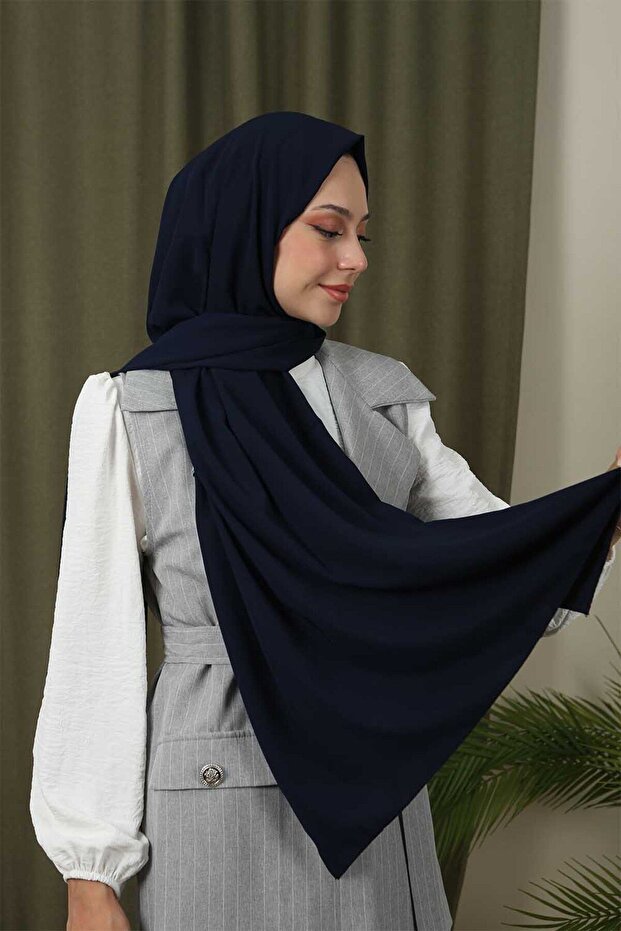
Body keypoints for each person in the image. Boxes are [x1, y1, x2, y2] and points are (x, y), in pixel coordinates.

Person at [30, 122, 619, 931]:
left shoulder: (381, 394)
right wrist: (90, 875)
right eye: (328, 229)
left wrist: (602, 517)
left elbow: (500, 581)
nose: (356, 259)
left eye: (361, 235)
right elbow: (95, 643)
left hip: (374, 787)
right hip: (217, 789)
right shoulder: (132, 407)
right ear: (246, 224)